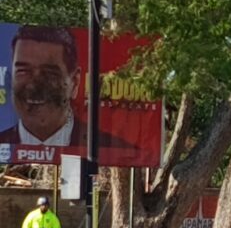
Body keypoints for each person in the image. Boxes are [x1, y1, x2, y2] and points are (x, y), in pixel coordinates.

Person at [0, 25, 133, 148]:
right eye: (23, 71)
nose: (33, 86)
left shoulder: (108, 148)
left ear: (74, 81)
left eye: (49, 73)